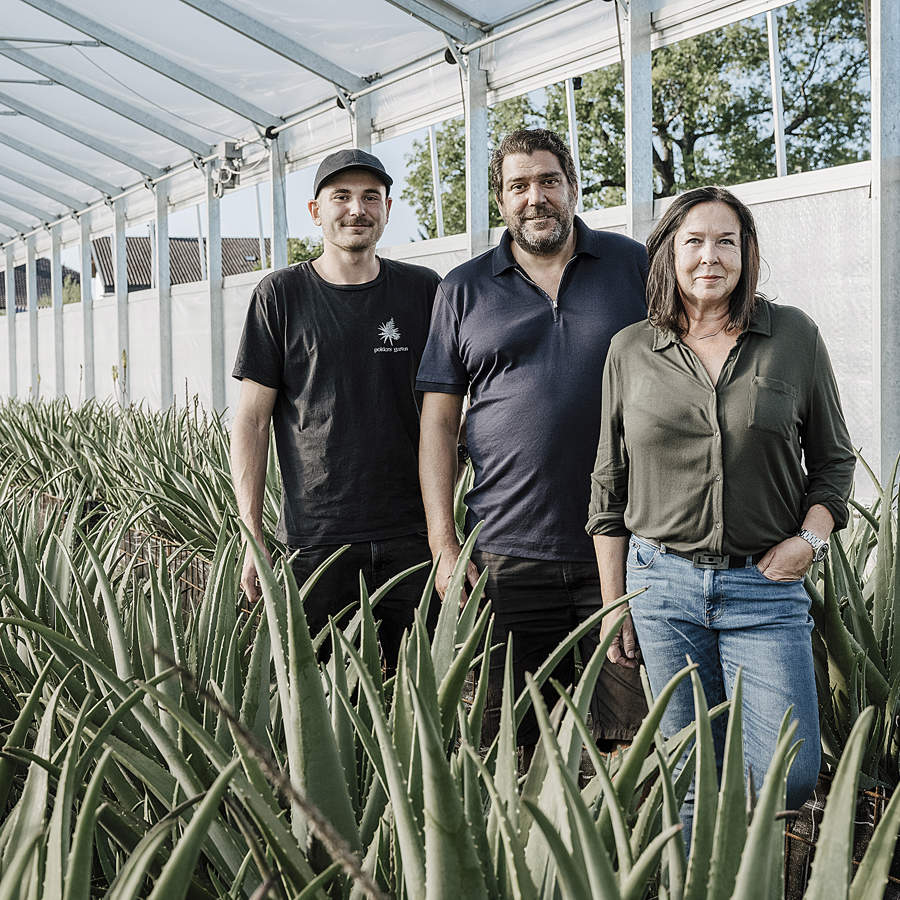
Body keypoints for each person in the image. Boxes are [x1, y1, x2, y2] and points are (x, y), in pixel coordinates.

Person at [587, 185, 855, 845]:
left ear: (746, 252)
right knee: (687, 771)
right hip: (661, 587)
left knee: (788, 773)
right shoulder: (630, 350)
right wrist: (614, 601)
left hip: (764, 587)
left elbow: (834, 461)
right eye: (694, 241)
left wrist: (809, 543)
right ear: (669, 256)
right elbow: (608, 485)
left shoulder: (792, 335)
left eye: (726, 241)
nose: (711, 256)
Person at [417, 128, 649, 750]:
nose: (535, 197)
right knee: (503, 747)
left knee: (628, 744)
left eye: (548, 181)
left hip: (628, 551)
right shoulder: (462, 289)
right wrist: (444, 545)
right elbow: (439, 422)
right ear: (500, 201)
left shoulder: (632, 266)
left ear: (572, 187)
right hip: (505, 556)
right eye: (518, 186)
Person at [231, 148, 441, 669]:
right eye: (341, 197)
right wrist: (251, 533)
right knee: (318, 694)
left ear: (388, 209)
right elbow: (253, 421)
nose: (357, 209)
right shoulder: (281, 295)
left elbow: (450, 408)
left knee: (416, 697)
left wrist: (446, 534)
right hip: (317, 538)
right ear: (315, 210)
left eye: (371, 197)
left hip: (411, 535)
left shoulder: (424, 291)